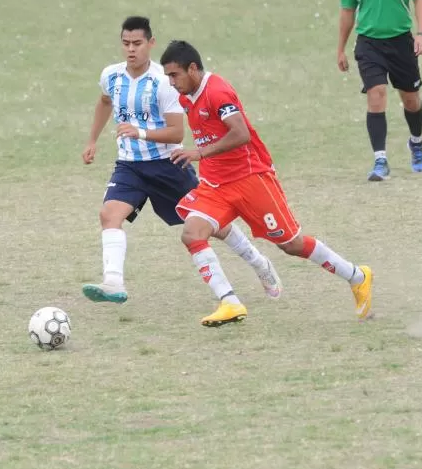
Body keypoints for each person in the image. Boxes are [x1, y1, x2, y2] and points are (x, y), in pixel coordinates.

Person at [160, 40, 373, 327]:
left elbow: (241, 134)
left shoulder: (217, 91)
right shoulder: (187, 96)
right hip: (216, 184)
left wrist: (199, 153)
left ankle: (357, 277)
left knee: (292, 244)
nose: (172, 83)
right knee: (192, 234)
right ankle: (230, 302)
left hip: (251, 179)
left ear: (193, 68)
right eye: (168, 77)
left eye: (175, 75)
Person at [82, 17, 282, 304]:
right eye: (126, 43)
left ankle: (259, 263)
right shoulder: (111, 76)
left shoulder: (165, 82)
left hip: (168, 165)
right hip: (129, 165)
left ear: (150, 44)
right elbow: (104, 102)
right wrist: (91, 141)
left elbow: (177, 132)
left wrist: (138, 132)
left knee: (216, 226)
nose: (131, 49)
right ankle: (113, 282)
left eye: (137, 43)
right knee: (109, 215)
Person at [337, 0, 422, 181]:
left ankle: (416, 142)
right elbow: (347, 11)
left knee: (410, 99)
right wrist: (340, 49)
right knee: (376, 94)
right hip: (368, 43)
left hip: (401, 41)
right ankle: (380, 160)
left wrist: (421, 33)